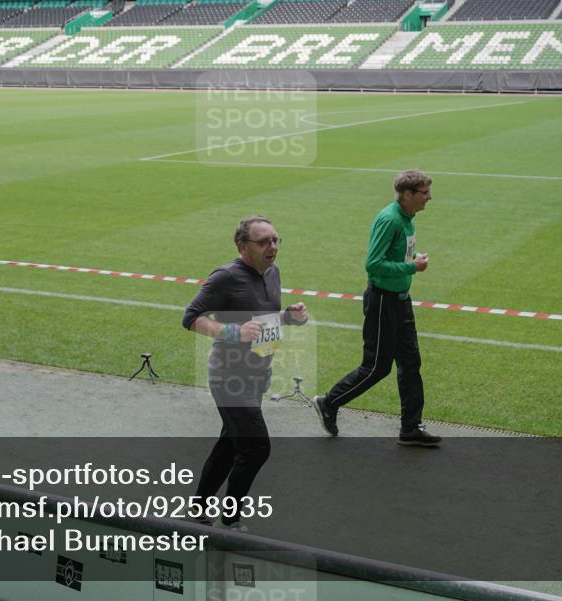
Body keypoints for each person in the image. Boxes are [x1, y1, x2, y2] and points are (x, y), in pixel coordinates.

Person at [183, 215, 308, 529]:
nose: (273, 246)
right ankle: (231, 519)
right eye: (264, 241)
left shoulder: (272, 273)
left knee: (230, 442)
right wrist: (232, 332)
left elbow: (262, 322)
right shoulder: (225, 277)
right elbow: (191, 317)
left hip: (258, 374)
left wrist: (289, 318)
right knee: (255, 448)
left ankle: (198, 509)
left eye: (276, 240)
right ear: (242, 246)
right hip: (229, 378)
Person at [313, 170, 441, 447]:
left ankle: (410, 428)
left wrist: (412, 259)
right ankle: (329, 402)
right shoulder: (390, 219)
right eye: (425, 192)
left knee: (410, 363)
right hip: (383, 301)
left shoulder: (407, 218)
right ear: (407, 194)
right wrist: (412, 266)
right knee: (376, 367)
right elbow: (373, 264)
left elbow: (396, 256)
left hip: (400, 300)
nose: (430, 197)